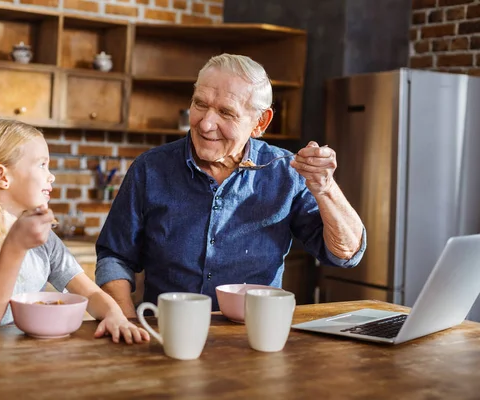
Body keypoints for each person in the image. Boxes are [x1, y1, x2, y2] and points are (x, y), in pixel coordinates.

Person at [96, 53, 366, 317]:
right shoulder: (149, 169)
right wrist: (126, 321)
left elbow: (345, 253)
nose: (206, 123)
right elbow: (114, 257)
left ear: (260, 122)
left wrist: (326, 189)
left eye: (226, 112)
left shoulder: (286, 172)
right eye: (200, 104)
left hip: (255, 336)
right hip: (168, 335)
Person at [0, 119, 149, 344]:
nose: (52, 176)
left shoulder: (46, 241)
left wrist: (115, 315)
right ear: (2, 176)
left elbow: (90, 293)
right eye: (42, 165)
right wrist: (15, 247)